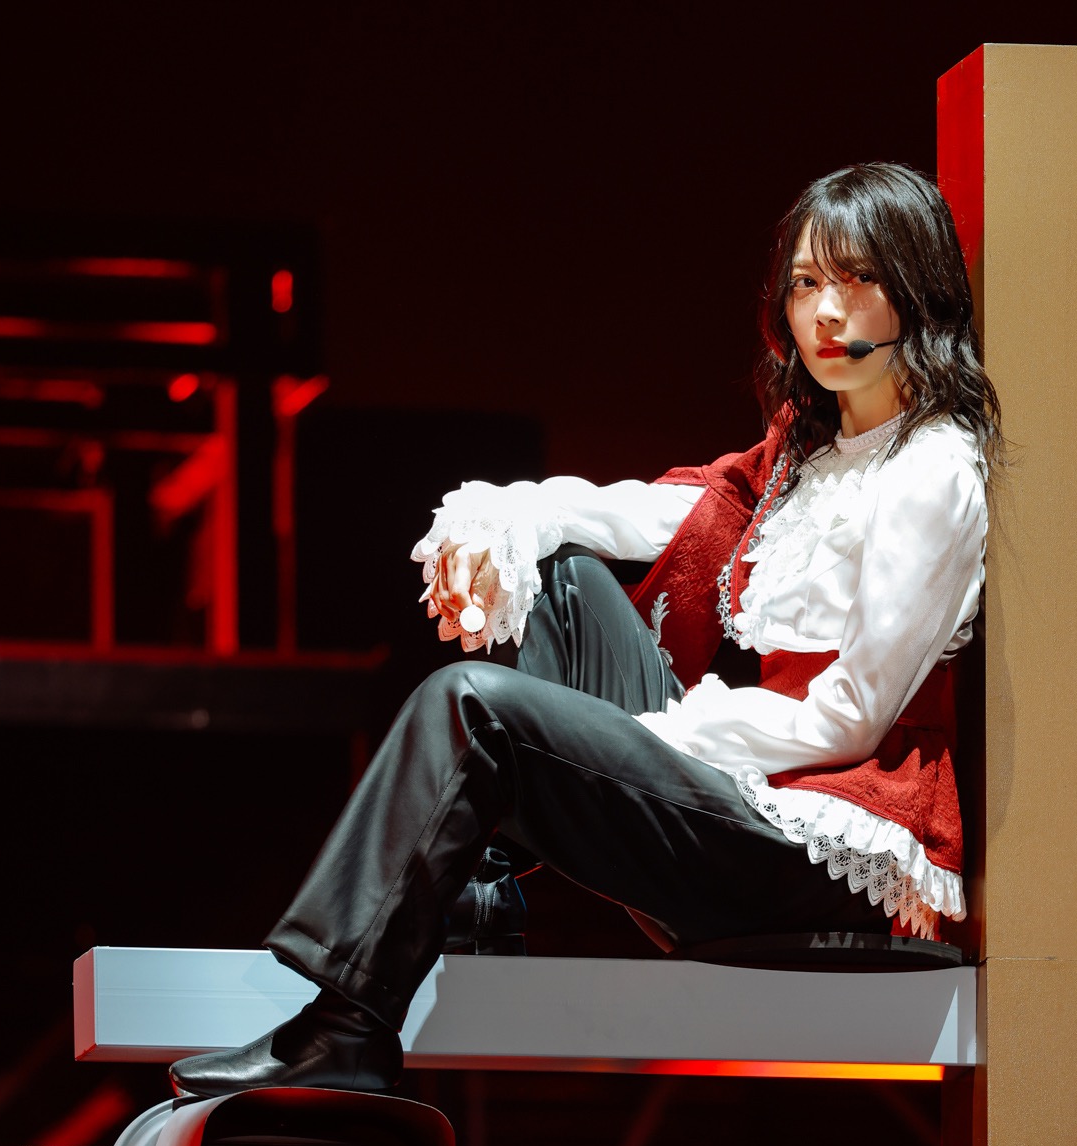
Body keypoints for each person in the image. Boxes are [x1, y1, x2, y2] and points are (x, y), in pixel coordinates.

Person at [171, 161, 1000, 1099]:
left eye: (857, 278)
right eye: (806, 283)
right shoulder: (805, 457)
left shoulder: (930, 471)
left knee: (472, 705)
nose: (826, 311)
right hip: (754, 799)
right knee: (560, 573)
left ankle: (345, 1023)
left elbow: (849, 718)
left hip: (821, 852)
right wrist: (518, 513)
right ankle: (478, 895)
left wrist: (672, 737)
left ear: (915, 289)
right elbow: (661, 514)